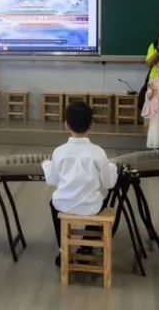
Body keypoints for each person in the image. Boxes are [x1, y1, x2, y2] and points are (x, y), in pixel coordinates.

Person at [42, 101, 119, 265]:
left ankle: (63, 249)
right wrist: (112, 167)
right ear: (91, 125)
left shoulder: (59, 152)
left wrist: (46, 164)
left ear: (66, 125)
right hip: (91, 206)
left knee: (52, 203)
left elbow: (52, 180)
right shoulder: (98, 152)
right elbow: (109, 184)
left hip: (63, 204)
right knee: (103, 203)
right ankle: (86, 247)